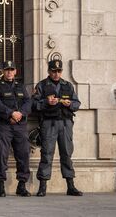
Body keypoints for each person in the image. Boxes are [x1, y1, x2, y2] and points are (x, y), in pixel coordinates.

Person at [32, 59, 83, 197]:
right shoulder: (42, 85)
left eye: (59, 71)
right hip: (49, 123)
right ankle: (42, 186)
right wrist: (46, 102)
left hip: (65, 123)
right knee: (47, 154)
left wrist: (69, 104)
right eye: (54, 71)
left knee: (67, 154)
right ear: (49, 71)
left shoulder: (68, 85)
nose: (56, 74)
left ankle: (70, 186)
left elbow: (77, 104)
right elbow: (34, 104)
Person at [0, 60, 32, 197]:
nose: (9, 72)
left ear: (15, 72)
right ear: (2, 71)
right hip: (4, 125)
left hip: (20, 125)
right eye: (7, 69)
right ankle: (0, 186)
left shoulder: (21, 86)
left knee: (24, 154)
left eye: (11, 69)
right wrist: (11, 113)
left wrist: (20, 113)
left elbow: (28, 102)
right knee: (2, 154)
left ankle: (21, 185)